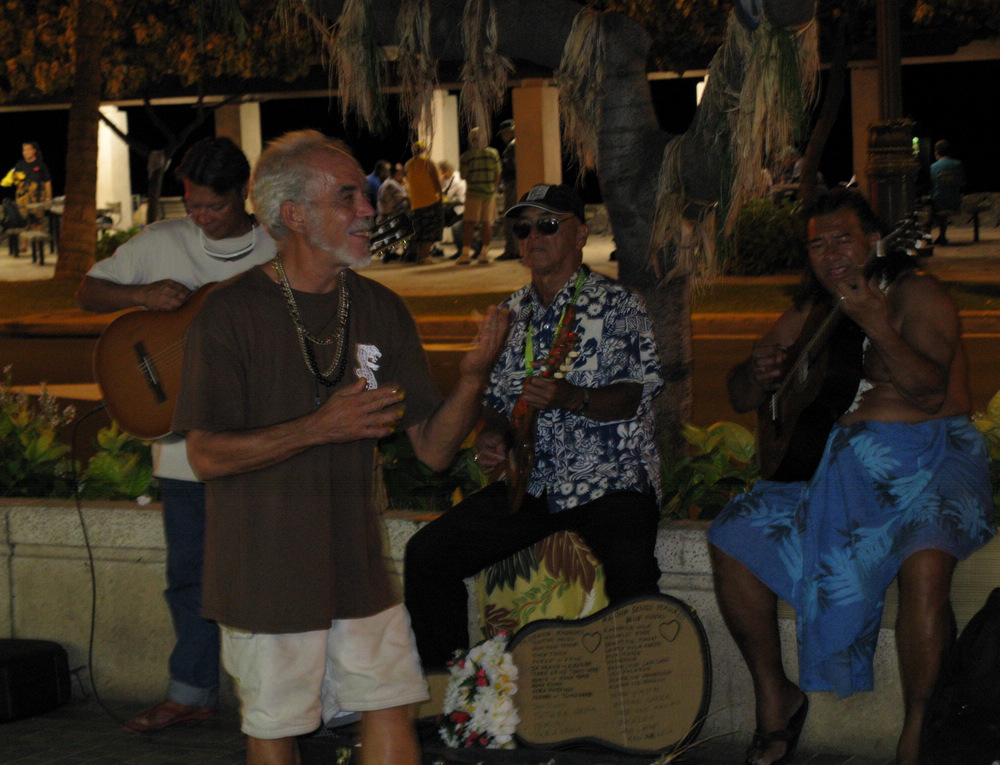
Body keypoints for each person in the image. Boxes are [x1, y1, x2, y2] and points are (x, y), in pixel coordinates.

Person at [171, 130, 508, 765]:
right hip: (265, 572)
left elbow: (435, 452)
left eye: (364, 194)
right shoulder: (230, 315)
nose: (368, 208)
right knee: (276, 728)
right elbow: (206, 455)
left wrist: (471, 379)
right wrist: (319, 427)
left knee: (390, 705)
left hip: (357, 567)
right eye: (346, 196)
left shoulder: (381, 307)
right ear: (292, 215)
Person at [708, 188, 995, 765]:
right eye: (818, 243)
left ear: (874, 239)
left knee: (926, 563)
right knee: (733, 533)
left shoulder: (918, 294)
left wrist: (875, 322)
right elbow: (740, 395)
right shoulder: (814, 309)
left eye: (843, 238)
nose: (831, 252)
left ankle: (917, 731)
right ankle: (776, 697)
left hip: (934, 460)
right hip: (848, 473)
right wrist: (758, 373)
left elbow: (937, 392)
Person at [405, 183, 664, 669]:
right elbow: (500, 404)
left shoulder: (618, 305)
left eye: (548, 225)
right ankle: (455, 700)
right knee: (427, 556)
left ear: (581, 234)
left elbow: (632, 395)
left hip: (610, 478)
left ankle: (644, 716)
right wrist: (492, 435)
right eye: (523, 228)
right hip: (534, 484)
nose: (533, 237)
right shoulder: (511, 313)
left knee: (634, 578)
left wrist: (573, 397)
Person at [75, 137, 278, 733]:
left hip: (254, 449)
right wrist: (140, 295)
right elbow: (87, 291)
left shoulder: (277, 252)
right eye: (190, 206)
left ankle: (274, 700)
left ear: (241, 195)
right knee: (187, 576)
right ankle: (190, 691)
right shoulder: (163, 242)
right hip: (181, 455)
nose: (199, 218)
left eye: (211, 207)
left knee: (261, 576)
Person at [457, 126, 501, 265]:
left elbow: (463, 176)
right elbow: (498, 173)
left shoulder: (467, 156)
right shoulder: (493, 153)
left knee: (469, 224)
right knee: (486, 223)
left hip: (473, 193)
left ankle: (465, 254)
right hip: (488, 193)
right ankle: (484, 253)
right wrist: (493, 187)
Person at [1, 141, 53, 243]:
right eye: (24, 150)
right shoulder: (20, 164)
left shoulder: (40, 164)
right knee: (23, 220)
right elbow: (12, 179)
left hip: (37, 197)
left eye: (28, 149)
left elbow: (47, 182)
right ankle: (23, 244)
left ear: (34, 151)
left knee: (37, 220)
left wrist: (48, 198)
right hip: (22, 197)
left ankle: (37, 245)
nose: (26, 152)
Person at [403, 141, 444, 264]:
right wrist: (440, 196)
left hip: (415, 203)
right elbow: (436, 180)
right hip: (430, 201)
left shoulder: (408, 164)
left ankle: (419, 255)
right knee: (429, 230)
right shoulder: (428, 162)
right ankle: (425, 256)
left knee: (419, 230)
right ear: (424, 150)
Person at [929, 139, 965, 246]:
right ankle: (942, 236)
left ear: (937, 151)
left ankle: (927, 236)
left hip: (940, 203)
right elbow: (962, 182)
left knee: (929, 203)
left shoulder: (933, 167)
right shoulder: (958, 164)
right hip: (955, 201)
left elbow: (932, 185)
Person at [496, 120, 519, 261]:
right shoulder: (515, 145)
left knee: (510, 217)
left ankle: (512, 250)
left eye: (504, 133)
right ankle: (514, 249)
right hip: (512, 183)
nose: (503, 136)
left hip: (513, 183)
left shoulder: (513, 145)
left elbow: (512, 167)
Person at [438, 159, 466, 255]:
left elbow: (446, 196)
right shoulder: (448, 179)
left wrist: (439, 182)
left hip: (460, 209)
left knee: (439, 221)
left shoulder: (456, 180)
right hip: (454, 208)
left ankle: (460, 251)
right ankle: (437, 247)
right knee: (437, 221)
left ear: (445, 171)